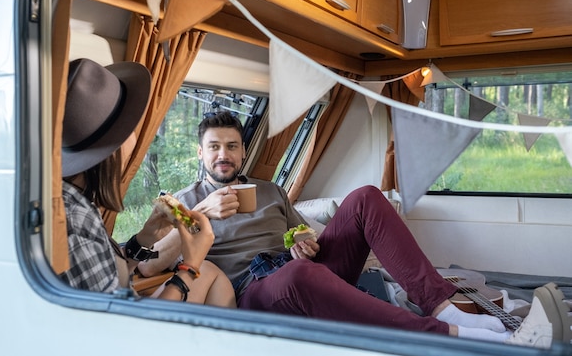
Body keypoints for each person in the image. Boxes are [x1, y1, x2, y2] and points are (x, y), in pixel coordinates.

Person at [158, 110, 571, 348]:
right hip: (257, 293)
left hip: (302, 269)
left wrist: (303, 239)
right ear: (201, 152)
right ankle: (463, 335)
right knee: (298, 274)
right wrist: (203, 213)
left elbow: (302, 236)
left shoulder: (269, 190)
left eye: (231, 146)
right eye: (214, 146)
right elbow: (149, 261)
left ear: (243, 150)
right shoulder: (185, 202)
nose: (223, 154)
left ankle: (440, 303)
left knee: (365, 196)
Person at [59, 58, 235, 307]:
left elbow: (111, 278)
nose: (135, 135)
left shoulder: (72, 201)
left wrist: (145, 238)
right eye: (128, 127)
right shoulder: (72, 227)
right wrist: (189, 269)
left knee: (210, 271)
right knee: (203, 270)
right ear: (112, 150)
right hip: (126, 333)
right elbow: (120, 331)